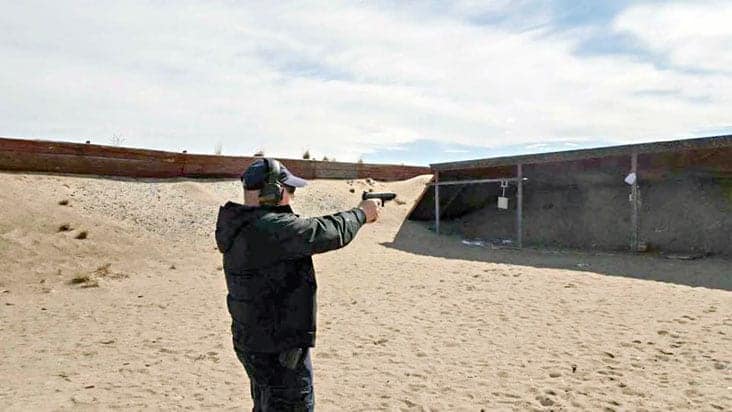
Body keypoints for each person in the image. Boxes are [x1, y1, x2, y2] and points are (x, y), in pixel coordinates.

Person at [215, 158, 379, 411]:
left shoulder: (242, 224)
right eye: (289, 190)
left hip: (255, 342)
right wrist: (362, 213)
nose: (291, 196)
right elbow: (328, 231)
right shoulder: (270, 227)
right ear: (273, 191)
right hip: (278, 350)